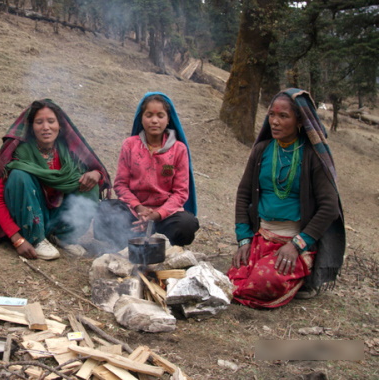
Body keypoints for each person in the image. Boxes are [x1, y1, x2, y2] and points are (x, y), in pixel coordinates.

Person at [227, 88, 345, 309]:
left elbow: (329, 207)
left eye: (283, 116)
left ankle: (304, 277)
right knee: (232, 279)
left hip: (296, 244)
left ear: (300, 120)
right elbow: (244, 194)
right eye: (271, 115)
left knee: (262, 282)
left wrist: (296, 245)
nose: (275, 122)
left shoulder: (312, 156)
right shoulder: (262, 151)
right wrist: (244, 240)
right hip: (261, 239)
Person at [0, 99, 112, 260]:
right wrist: (17, 239)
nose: (46, 127)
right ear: (31, 127)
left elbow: (96, 172)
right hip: (28, 215)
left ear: (60, 125)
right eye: (39, 122)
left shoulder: (68, 152)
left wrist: (97, 174)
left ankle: (64, 236)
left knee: (90, 182)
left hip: (56, 215)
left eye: (51, 121)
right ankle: (36, 239)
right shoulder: (19, 153)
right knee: (19, 175)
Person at [93, 92, 199, 251]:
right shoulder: (130, 145)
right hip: (134, 212)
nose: (154, 120)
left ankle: (153, 239)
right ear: (141, 118)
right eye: (149, 115)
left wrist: (157, 215)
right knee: (105, 210)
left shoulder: (179, 149)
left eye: (160, 115)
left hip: (165, 216)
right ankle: (132, 241)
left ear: (168, 119)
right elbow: (121, 185)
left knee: (187, 224)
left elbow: (180, 192)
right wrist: (139, 208)